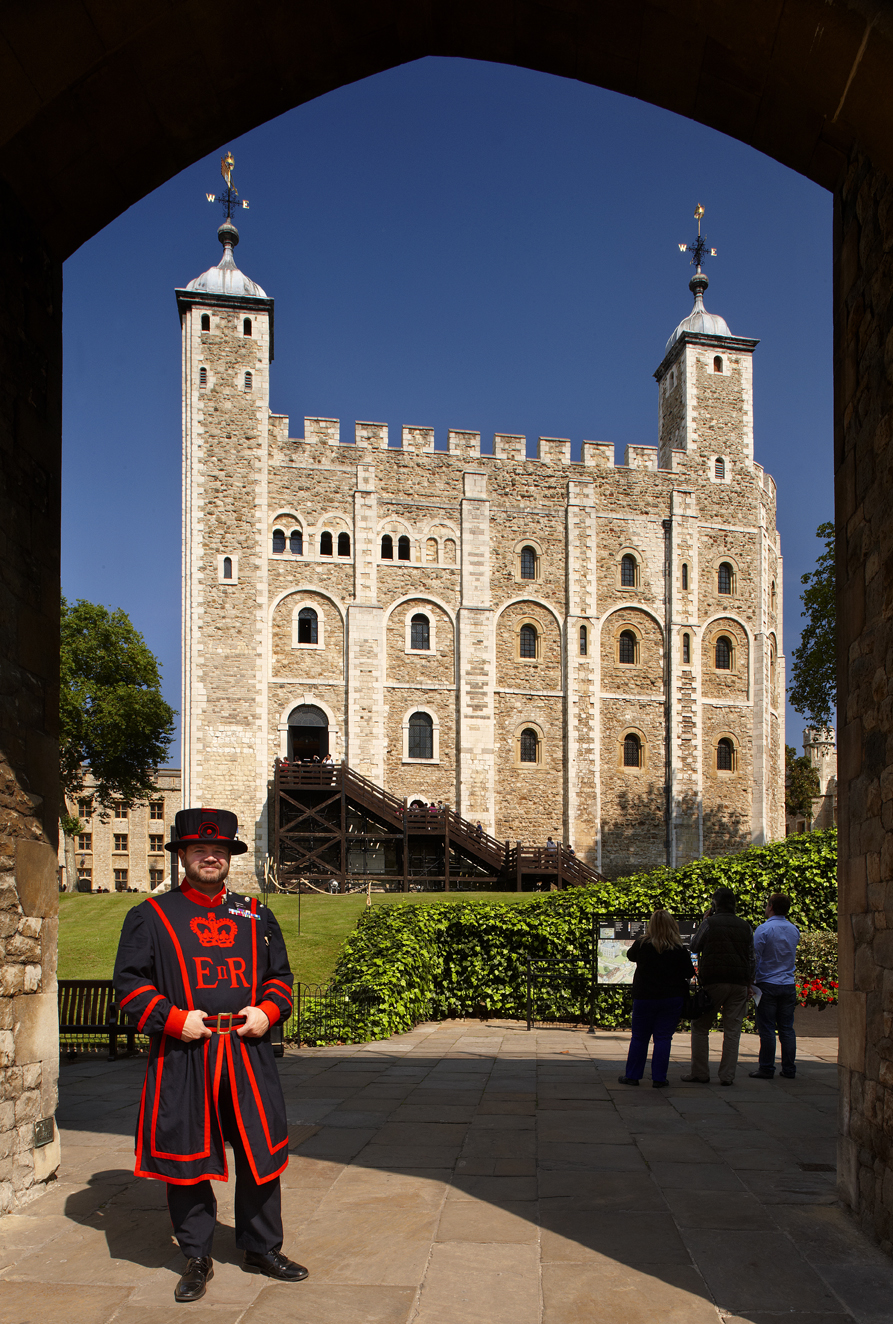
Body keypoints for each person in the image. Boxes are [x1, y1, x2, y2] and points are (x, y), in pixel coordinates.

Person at [113, 807, 307, 1303]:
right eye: (199, 850)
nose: (210, 858)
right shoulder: (150, 917)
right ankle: (196, 1254)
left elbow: (280, 979)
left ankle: (261, 1247)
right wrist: (173, 1020)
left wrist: (268, 1011)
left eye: (218, 851)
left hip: (246, 1052)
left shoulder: (256, 913)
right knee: (188, 1155)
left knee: (260, 1152)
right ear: (182, 855)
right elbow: (130, 985)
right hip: (185, 1054)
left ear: (228, 858)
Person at [684, 886, 755, 1086]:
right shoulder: (745, 926)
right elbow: (751, 958)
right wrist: (749, 983)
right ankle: (727, 1076)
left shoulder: (709, 924)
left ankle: (700, 1072)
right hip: (739, 983)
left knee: (700, 1026)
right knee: (733, 1031)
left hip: (714, 981)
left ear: (715, 905)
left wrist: (704, 921)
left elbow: (694, 947)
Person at [618, 910, 695, 1088]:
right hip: (671, 998)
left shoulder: (643, 944)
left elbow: (630, 956)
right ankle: (659, 1078)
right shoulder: (678, 948)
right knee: (663, 1038)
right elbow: (688, 972)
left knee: (639, 1037)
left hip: (645, 997)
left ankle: (632, 1075)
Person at [749, 892, 800, 1080]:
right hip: (788, 983)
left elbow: (755, 957)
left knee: (767, 1028)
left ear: (770, 906)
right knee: (787, 1029)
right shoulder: (794, 930)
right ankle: (789, 1069)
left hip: (767, 984)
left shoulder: (763, 929)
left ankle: (766, 1068)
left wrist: (750, 981)